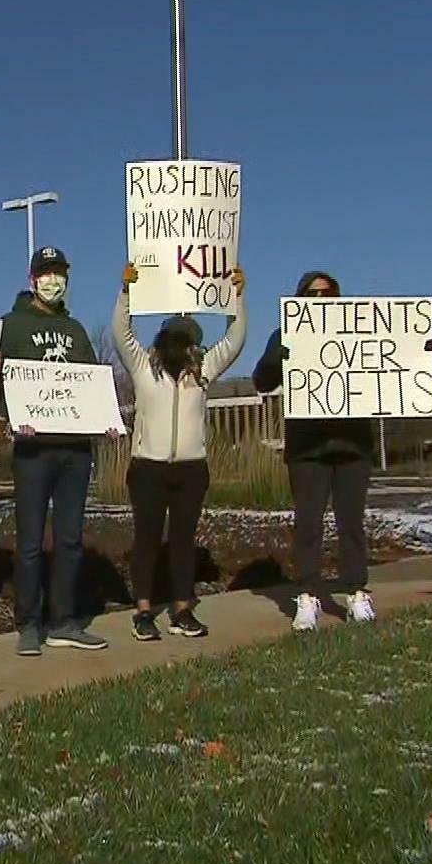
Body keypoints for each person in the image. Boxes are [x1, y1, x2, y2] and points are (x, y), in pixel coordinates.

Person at [251, 271, 432, 631]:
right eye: (312, 294)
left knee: (352, 524)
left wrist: (430, 357)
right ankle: (308, 597)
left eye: (328, 293)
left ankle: (357, 592)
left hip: (353, 446)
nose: (320, 299)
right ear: (300, 299)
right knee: (309, 525)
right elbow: (262, 382)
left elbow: (396, 366)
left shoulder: (362, 332)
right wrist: (274, 360)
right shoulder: (286, 335)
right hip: (308, 449)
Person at [113, 263, 247, 642]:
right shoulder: (142, 367)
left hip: (191, 470)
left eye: (187, 339)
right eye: (174, 337)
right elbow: (120, 332)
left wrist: (236, 296)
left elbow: (235, 339)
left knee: (183, 542)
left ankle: (181, 610)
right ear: (161, 339)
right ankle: (143, 612)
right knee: (147, 541)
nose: (180, 345)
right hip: (148, 469)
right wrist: (126, 292)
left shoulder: (203, 371)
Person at [0, 245, 110, 655]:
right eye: (46, 273)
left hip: (75, 451)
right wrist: (8, 408)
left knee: (70, 538)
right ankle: (28, 623)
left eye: (60, 272)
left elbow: (93, 383)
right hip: (33, 450)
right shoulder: (10, 326)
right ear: (32, 280)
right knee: (29, 541)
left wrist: (106, 420)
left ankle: (64, 621)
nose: (53, 280)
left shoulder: (76, 330)